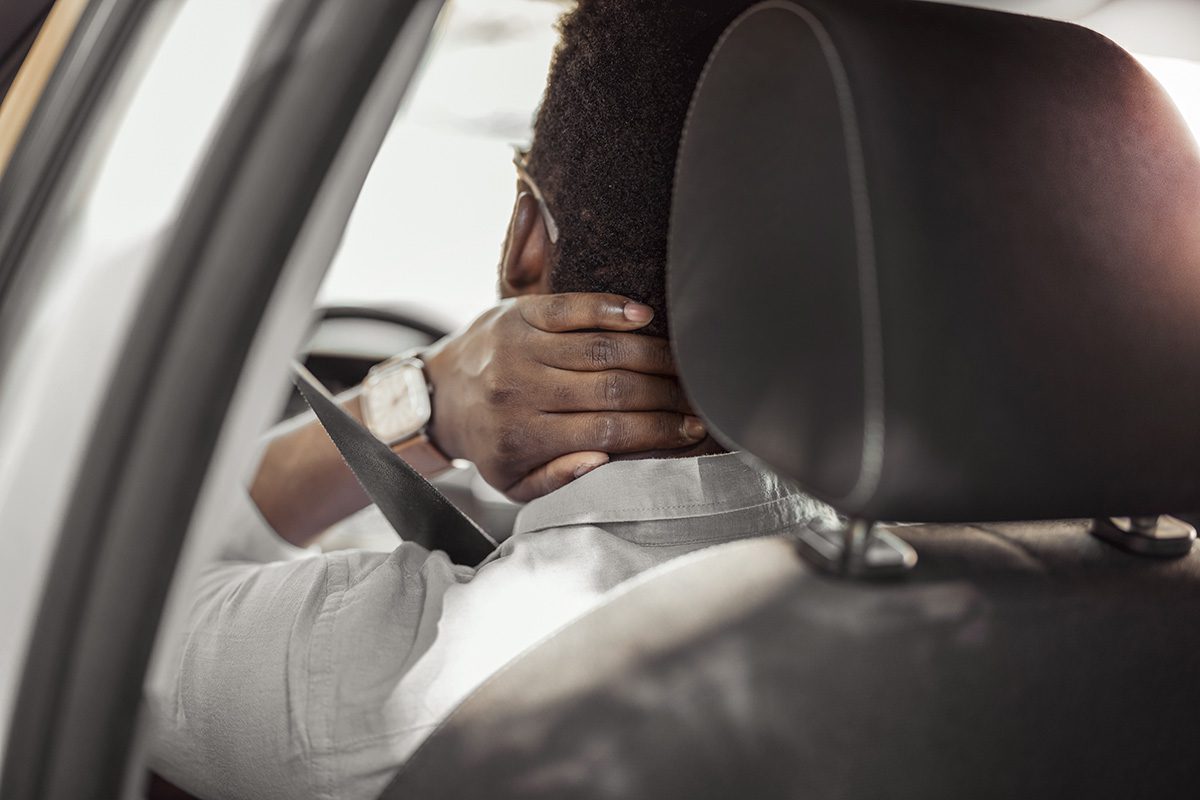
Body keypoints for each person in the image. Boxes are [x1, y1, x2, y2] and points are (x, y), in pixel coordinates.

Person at [148, 1, 829, 797]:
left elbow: (100, 599)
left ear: (526, 243)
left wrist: (425, 400)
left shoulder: (389, 680)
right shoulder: (969, 597)